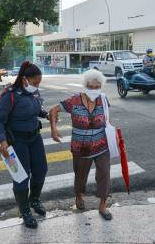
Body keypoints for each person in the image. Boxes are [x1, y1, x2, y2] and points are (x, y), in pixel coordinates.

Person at [49, 69, 113, 221]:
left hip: (102, 145)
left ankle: (103, 206)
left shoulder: (103, 100)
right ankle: (79, 196)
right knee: (81, 175)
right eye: (91, 87)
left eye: (98, 87)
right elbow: (53, 110)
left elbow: (107, 119)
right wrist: (53, 129)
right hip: (81, 148)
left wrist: (113, 134)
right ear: (85, 86)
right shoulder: (74, 101)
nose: (94, 90)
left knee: (104, 173)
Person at [0, 61, 49, 229]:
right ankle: (25, 211)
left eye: (39, 82)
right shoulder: (10, 95)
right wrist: (2, 140)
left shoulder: (34, 93)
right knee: (21, 177)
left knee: (41, 170)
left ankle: (35, 199)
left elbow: (36, 109)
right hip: (16, 142)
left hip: (34, 137)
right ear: (25, 79)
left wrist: (46, 114)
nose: (37, 85)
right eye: (35, 82)